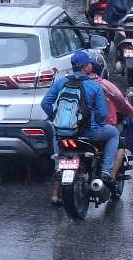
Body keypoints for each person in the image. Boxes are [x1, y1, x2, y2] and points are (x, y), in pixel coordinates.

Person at [42, 49, 121, 188]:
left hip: (63, 132)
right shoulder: (94, 86)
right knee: (114, 133)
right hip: (88, 132)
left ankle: (58, 167)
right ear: (86, 67)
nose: (91, 66)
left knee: (57, 133)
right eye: (89, 64)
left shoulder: (61, 82)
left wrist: (55, 116)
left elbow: (45, 103)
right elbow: (102, 113)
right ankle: (106, 171)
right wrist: (97, 124)